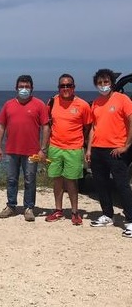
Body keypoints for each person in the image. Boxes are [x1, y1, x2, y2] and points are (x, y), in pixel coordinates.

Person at [0, 75, 50, 221]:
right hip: (12, 150)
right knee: (11, 179)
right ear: (16, 88)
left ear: (31, 88)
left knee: (30, 180)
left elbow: (46, 127)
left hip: (32, 151)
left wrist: (43, 149)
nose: (24, 89)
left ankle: (29, 208)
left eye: (27, 87)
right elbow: (1, 126)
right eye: (21, 87)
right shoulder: (8, 105)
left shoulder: (39, 105)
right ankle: (11, 206)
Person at [85, 68, 132, 236]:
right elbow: (93, 128)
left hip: (116, 150)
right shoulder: (96, 103)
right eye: (100, 83)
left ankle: (131, 220)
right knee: (101, 184)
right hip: (98, 150)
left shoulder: (123, 99)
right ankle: (107, 214)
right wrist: (89, 149)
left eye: (106, 82)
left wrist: (126, 146)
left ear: (112, 83)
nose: (103, 85)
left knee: (121, 185)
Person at [44, 74, 92, 225]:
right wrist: (43, 147)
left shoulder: (83, 105)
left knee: (72, 181)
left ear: (74, 87)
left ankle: (75, 212)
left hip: (74, 148)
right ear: (58, 88)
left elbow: (89, 127)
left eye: (68, 85)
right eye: (62, 86)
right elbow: (48, 125)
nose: (65, 88)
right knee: (57, 179)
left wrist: (85, 146)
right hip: (55, 147)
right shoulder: (52, 102)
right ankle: (58, 210)